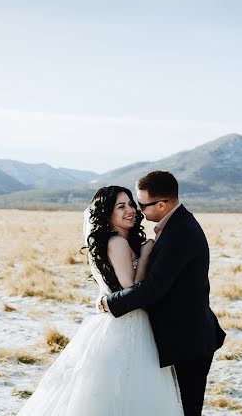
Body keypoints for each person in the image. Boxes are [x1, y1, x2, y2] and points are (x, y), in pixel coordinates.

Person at [17, 185, 184, 416]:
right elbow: (130, 286)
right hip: (127, 324)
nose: (130, 210)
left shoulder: (124, 240)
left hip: (130, 320)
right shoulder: (117, 242)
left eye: (131, 204)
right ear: (107, 214)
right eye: (121, 206)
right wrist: (145, 255)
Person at [101, 171, 225, 416]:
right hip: (183, 337)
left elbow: (154, 288)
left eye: (141, 205)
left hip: (188, 341)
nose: (137, 210)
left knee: (186, 409)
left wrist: (109, 302)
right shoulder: (176, 225)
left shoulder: (180, 232)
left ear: (161, 204)